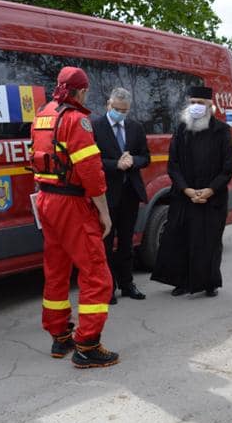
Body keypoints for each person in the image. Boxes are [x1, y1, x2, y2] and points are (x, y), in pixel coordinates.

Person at [30, 66, 118, 368]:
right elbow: (91, 174)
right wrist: (104, 213)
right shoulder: (76, 120)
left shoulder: (44, 114)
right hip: (71, 204)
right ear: (81, 91)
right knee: (96, 274)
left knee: (56, 270)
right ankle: (88, 345)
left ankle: (60, 336)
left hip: (46, 198)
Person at [151, 86, 232, 296]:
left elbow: (227, 168)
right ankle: (182, 282)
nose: (196, 107)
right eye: (193, 102)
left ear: (210, 106)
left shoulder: (221, 130)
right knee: (181, 238)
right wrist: (187, 189)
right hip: (184, 196)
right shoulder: (181, 129)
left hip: (212, 197)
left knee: (208, 242)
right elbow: (173, 164)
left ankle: (209, 283)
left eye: (201, 103)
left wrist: (209, 190)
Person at [93, 87, 150, 304]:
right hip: (106, 195)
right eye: (116, 109)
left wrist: (133, 161)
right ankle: (108, 288)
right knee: (106, 243)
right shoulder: (95, 127)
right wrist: (115, 164)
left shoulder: (135, 127)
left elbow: (146, 157)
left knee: (127, 242)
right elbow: (90, 161)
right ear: (108, 104)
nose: (120, 113)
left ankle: (127, 284)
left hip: (130, 193)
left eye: (124, 110)